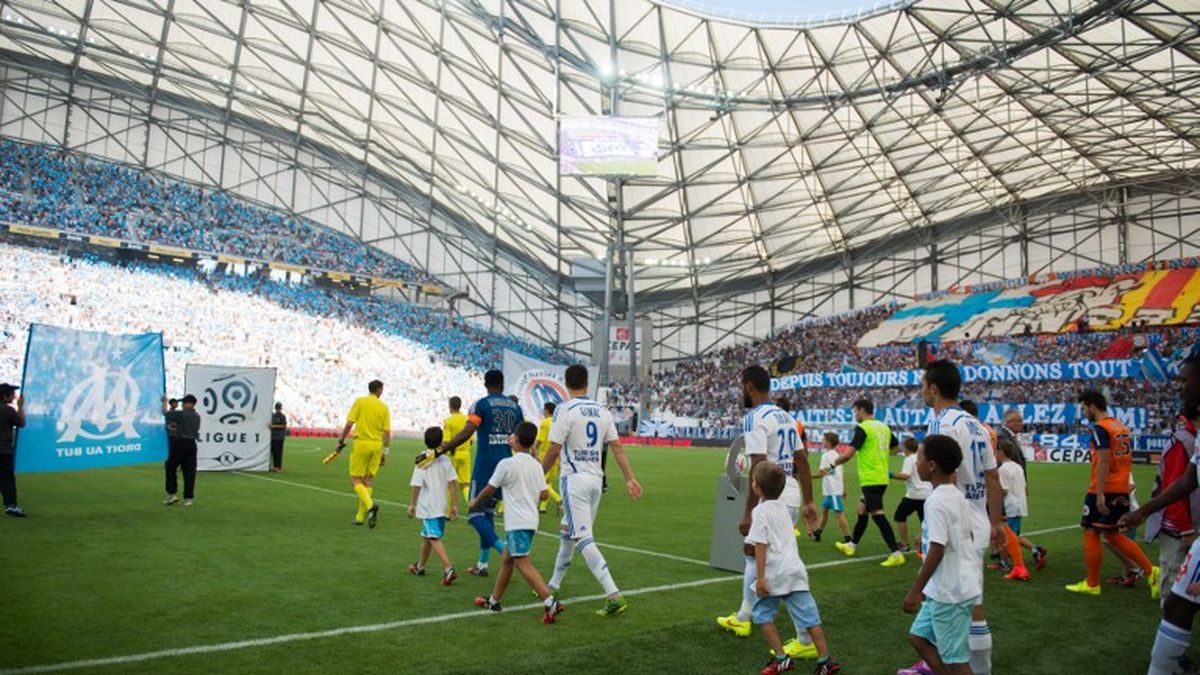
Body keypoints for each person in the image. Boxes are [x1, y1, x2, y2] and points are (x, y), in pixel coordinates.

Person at [718, 365, 818, 659]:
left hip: (772, 496)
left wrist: (749, 513)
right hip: (791, 494)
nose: (741, 391)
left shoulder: (755, 417)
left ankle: (804, 638)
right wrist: (809, 500)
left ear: (749, 386)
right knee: (753, 552)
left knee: (775, 562)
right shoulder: (786, 416)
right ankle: (744, 615)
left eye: (741, 386)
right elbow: (803, 460)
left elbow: (759, 467)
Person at [920, 359, 1005, 675]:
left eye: (923, 386)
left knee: (965, 605)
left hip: (955, 523)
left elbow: (946, 477)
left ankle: (976, 669)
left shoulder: (942, 424)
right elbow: (992, 477)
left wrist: (934, 522)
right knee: (962, 599)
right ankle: (953, 662)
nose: (921, 392)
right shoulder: (977, 426)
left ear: (934, 388)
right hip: (978, 520)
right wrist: (996, 523)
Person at [541, 364, 643, 616]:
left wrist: (537, 475)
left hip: (574, 479)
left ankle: (613, 594)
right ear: (587, 383)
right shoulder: (602, 411)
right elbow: (617, 447)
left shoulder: (564, 409)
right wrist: (630, 478)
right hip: (596, 481)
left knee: (583, 538)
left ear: (567, 384)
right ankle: (552, 584)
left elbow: (554, 449)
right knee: (568, 531)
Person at [1119, 383, 1200, 674]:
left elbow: (1182, 484)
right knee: (1177, 596)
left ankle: (1174, 659)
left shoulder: (1186, 440)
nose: (1181, 384)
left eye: (1187, 380)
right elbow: (1181, 483)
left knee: (1177, 596)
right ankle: (1175, 659)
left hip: (1183, 528)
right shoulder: (1187, 439)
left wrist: (1185, 527)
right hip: (1182, 526)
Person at [748, 462, 841, 675]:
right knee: (809, 618)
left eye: (753, 480)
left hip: (775, 573)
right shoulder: (784, 508)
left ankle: (781, 658)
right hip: (796, 570)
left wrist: (761, 578)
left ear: (758, 488)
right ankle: (825, 659)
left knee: (762, 614)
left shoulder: (760, 511)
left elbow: (760, 546)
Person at [899, 434, 981, 675]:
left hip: (950, 592)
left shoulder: (935, 501)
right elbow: (966, 536)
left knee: (955, 658)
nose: (916, 463)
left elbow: (937, 548)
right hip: (949, 587)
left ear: (932, 465)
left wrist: (915, 591)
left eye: (920, 458)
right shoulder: (956, 495)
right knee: (917, 637)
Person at [1065, 389, 1159, 597]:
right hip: (1121, 487)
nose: (1084, 413)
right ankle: (1151, 571)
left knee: (1090, 531)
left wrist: (1098, 494)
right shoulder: (1121, 427)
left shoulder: (1101, 428)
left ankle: (1092, 583)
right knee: (1112, 533)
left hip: (1105, 488)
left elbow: (1105, 460)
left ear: (1091, 406)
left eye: (1084, 408)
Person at [471, 421, 564, 623]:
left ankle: (550, 601)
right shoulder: (535, 465)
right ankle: (494, 601)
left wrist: (475, 502)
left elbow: (489, 489)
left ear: (518, 440)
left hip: (517, 522)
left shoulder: (506, 463)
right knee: (507, 559)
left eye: (513, 435)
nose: (510, 438)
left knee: (522, 563)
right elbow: (545, 495)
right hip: (530, 520)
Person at [439, 370, 523, 576]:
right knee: (487, 513)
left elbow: (469, 431)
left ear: (486, 385)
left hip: (486, 465)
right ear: (502, 384)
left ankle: (505, 551)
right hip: (508, 464)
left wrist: (445, 446)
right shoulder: (515, 407)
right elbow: (521, 433)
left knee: (475, 514)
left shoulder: (481, 405)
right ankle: (482, 565)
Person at [832, 399, 906, 567]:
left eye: (855, 411)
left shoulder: (863, 428)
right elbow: (896, 449)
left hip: (871, 478)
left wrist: (832, 464)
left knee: (878, 515)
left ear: (862, 410)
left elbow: (848, 454)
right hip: (881, 477)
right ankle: (852, 545)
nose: (855, 415)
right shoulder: (883, 427)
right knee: (862, 510)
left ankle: (896, 553)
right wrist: (879, 453)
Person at [961, 399, 1028, 582]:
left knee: (996, 528)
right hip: (988, 484)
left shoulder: (970, 430)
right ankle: (1012, 562)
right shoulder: (988, 429)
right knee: (999, 527)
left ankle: (1016, 564)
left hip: (976, 484)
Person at [330, 380, 390, 528]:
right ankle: (360, 517)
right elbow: (387, 432)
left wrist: (341, 439)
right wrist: (385, 452)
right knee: (368, 480)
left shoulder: (360, 402)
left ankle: (370, 506)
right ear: (379, 390)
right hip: (377, 445)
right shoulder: (384, 407)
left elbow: (350, 424)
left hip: (362, 443)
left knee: (355, 479)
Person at [407, 427, 459, 585]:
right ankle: (420, 566)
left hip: (429, 506)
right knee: (427, 537)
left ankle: (448, 568)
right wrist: (454, 505)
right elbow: (452, 483)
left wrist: (412, 504)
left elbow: (417, 485)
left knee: (433, 537)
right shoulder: (445, 459)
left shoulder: (422, 460)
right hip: (441, 504)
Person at [892, 437, 931, 553]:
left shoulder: (909, 459)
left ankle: (904, 544)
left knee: (899, 516)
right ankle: (923, 541)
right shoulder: (920, 458)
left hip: (915, 494)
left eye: (903, 446)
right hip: (927, 493)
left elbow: (905, 475)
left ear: (906, 448)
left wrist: (890, 475)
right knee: (925, 520)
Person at [162, 394, 201, 506]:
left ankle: (172, 494)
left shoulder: (182, 414)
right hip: (192, 444)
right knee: (189, 472)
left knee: (170, 467)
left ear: (189, 403)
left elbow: (165, 413)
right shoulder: (197, 416)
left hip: (180, 444)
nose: (182, 405)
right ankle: (188, 498)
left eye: (184, 403)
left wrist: (164, 401)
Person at [812, 432, 850, 544]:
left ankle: (848, 538)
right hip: (832, 490)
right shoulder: (837, 455)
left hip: (832, 490)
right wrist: (843, 488)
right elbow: (838, 472)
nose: (822, 441)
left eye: (823, 440)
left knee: (839, 513)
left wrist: (806, 477)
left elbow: (822, 473)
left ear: (828, 442)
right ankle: (818, 533)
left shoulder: (826, 456)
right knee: (824, 511)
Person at [0, 383, 26, 517]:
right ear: (5, 397)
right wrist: (21, 406)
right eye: (12, 393)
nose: (15, 396)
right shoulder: (7, 410)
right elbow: (21, 423)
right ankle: (11, 505)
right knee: (6, 478)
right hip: (3, 450)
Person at [443, 396, 474, 502]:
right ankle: (471, 506)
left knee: (448, 482)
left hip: (453, 454)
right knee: (465, 484)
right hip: (466, 454)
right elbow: (471, 440)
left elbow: (446, 442)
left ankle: (447, 512)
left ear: (450, 406)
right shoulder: (467, 419)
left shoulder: (448, 421)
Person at [536, 401, 562, 514]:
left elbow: (540, 440)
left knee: (541, 482)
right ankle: (542, 507)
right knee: (548, 482)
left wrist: (532, 450)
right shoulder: (559, 422)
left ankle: (558, 499)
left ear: (547, 410)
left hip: (545, 456)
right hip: (557, 456)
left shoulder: (545, 423)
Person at [269, 402, 287, 473]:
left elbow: (283, 426)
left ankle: (278, 467)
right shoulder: (273, 415)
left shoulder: (282, 416)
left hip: (279, 437)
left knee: (278, 452)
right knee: (273, 452)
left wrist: (273, 426)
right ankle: (275, 466)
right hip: (273, 436)